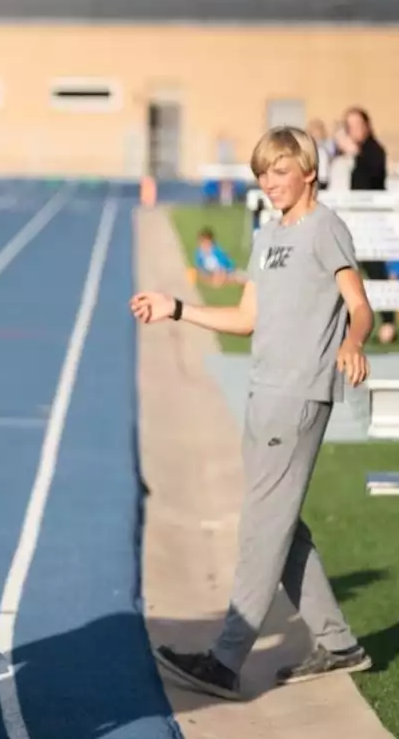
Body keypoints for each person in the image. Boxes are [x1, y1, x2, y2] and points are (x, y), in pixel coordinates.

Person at [131, 125, 374, 700]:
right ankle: (338, 643)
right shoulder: (267, 236)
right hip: (262, 392)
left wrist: (353, 342)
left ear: (308, 171)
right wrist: (178, 308)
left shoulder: (326, 229)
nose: (271, 182)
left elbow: (358, 304)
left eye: (280, 171)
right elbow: (246, 319)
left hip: (299, 395)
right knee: (281, 526)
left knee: (263, 528)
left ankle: (225, 659)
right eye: (263, 174)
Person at [335, 106, 395, 343]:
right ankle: (346, 324)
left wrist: (355, 153)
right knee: (344, 272)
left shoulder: (373, 151)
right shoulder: (344, 154)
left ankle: (388, 322)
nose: (353, 131)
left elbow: (374, 175)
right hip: (350, 221)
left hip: (371, 223)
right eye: (349, 126)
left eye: (357, 125)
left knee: (376, 272)